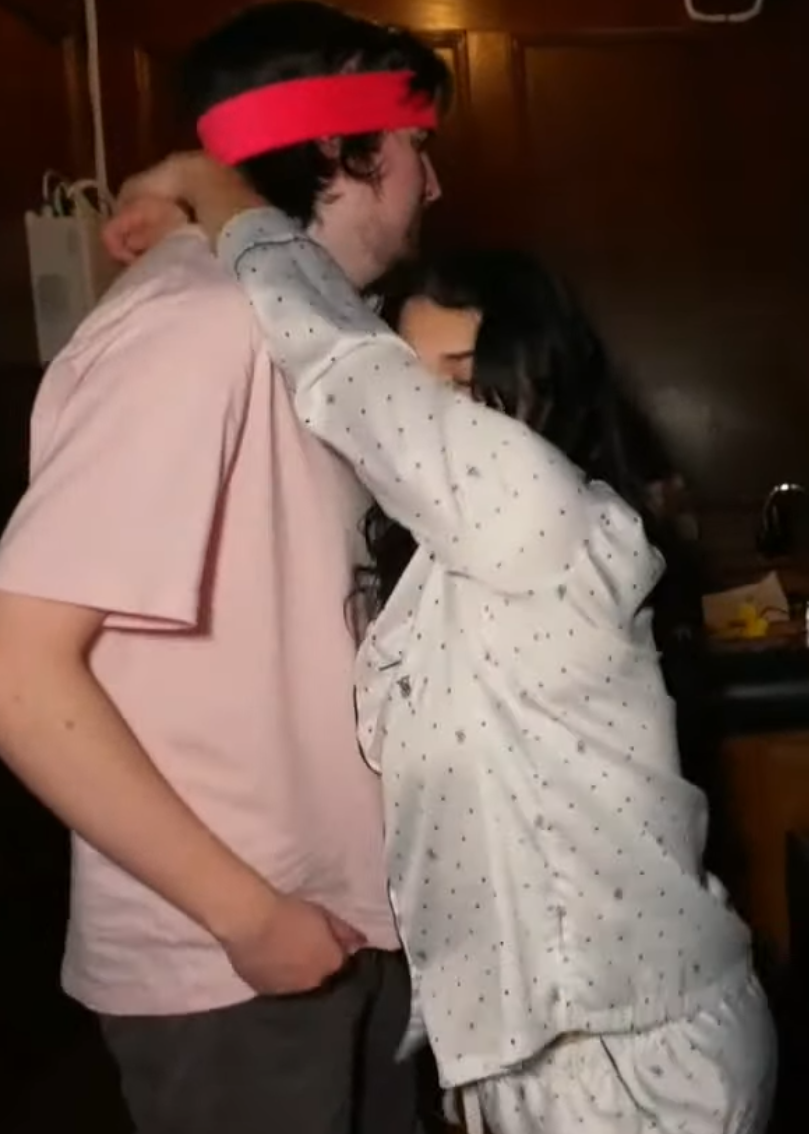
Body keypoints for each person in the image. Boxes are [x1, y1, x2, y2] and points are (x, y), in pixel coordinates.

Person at [106, 154, 777, 1134]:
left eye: (463, 384)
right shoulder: (442, 569)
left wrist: (214, 193)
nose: (433, 417)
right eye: (418, 381)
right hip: (541, 1051)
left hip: (628, 1056)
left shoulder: (540, 512)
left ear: (541, 383)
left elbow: (343, 368)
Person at [0, 5, 451, 1133]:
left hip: (343, 923)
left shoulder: (296, 323)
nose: (433, 184)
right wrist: (246, 914)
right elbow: (17, 670)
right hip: (239, 960)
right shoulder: (197, 324)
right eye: (415, 147)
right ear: (344, 145)